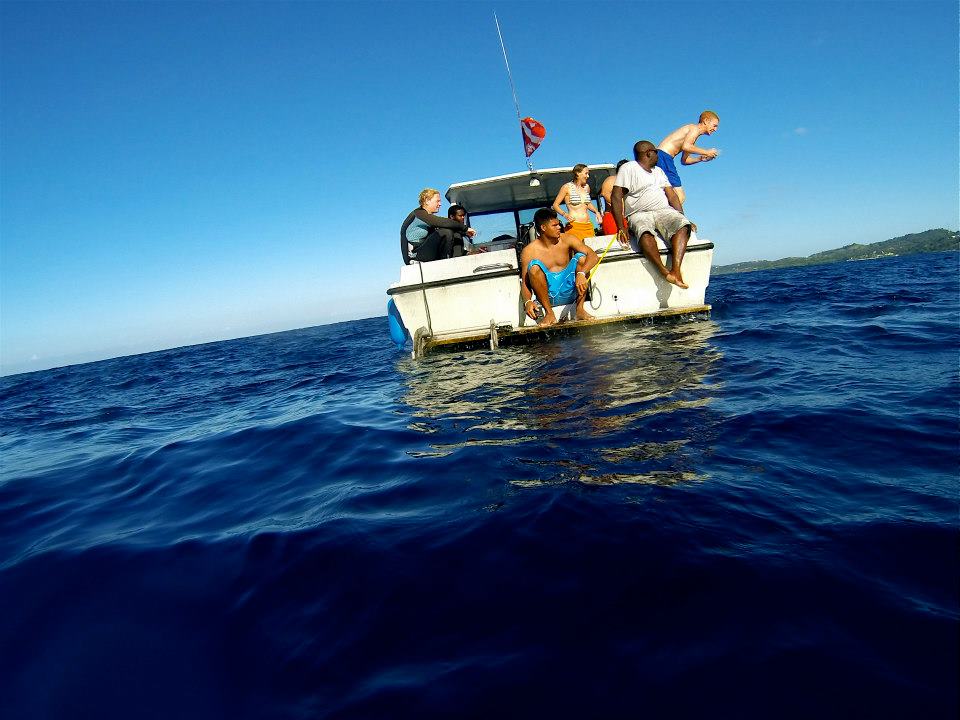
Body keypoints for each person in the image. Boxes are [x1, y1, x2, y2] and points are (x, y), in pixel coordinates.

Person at [610, 140, 694, 289]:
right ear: (649, 153)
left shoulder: (659, 171)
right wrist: (621, 227)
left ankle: (675, 270)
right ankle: (664, 271)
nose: (658, 155)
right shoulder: (628, 168)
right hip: (639, 213)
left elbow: (672, 196)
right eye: (656, 152)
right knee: (645, 232)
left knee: (683, 226)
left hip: (663, 211)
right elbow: (616, 196)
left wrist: (683, 216)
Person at [520, 208, 599, 326]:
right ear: (543, 228)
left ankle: (580, 309)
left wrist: (581, 273)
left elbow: (593, 256)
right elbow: (525, 283)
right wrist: (527, 302)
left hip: (571, 290)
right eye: (555, 225)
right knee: (534, 267)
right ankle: (549, 314)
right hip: (548, 297)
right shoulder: (529, 251)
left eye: (559, 224)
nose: (559, 227)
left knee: (582, 257)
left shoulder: (568, 239)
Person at [656, 110, 720, 207]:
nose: (715, 129)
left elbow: (684, 160)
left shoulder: (693, 137)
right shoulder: (693, 128)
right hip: (663, 157)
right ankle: (664, 218)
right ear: (706, 121)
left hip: (664, 158)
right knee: (679, 196)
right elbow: (686, 146)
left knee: (672, 195)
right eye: (714, 125)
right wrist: (707, 151)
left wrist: (701, 158)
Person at [400, 189, 475, 264]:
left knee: (455, 234)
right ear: (427, 201)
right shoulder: (419, 214)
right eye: (437, 201)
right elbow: (442, 222)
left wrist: (466, 251)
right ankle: (445, 263)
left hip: (425, 251)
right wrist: (465, 228)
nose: (440, 204)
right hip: (415, 255)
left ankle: (456, 261)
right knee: (445, 232)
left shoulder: (427, 219)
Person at [551, 164, 603, 240]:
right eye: (586, 173)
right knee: (578, 251)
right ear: (578, 173)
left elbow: (587, 203)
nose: (588, 176)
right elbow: (555, 205)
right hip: (574, 225)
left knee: (591, 249)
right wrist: (565, 215)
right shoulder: (567, 187)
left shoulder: (587, 187)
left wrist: (597, 212)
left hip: (588, 226)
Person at [599, 159, 629, 236]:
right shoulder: (611, 180)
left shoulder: (629, 181)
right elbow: (605, 195)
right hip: (612, 218)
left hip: (628, 217)